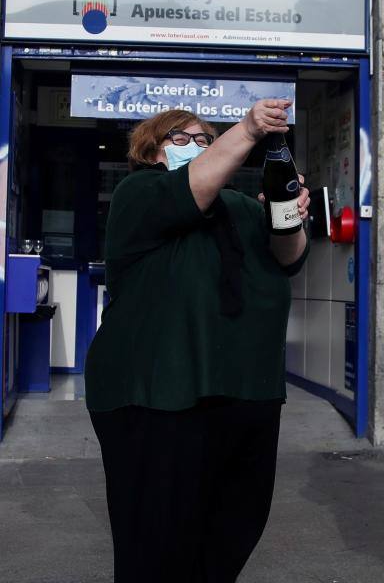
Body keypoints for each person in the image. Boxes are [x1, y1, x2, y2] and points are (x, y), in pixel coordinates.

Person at [85, 100, 309, 583]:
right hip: (156, 396)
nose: (195, 148)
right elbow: (192, 189)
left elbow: (289, 258)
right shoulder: (139, 193)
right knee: (156, 543)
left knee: (231, 532)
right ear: (152, 152)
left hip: (245, 394)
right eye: (179, 140)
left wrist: (286, 219)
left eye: (204, 140)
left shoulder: (245, 208)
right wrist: (248, 128)